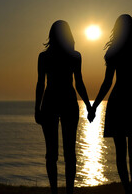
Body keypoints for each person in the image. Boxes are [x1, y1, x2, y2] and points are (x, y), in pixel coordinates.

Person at [88, 14, 132, 194]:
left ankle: (128, 189)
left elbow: (107, 83)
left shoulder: (115, 52)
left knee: (122, 153)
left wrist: (94, 106)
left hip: (119, 101)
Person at [35, 20, 91, 194]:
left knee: (51, 152)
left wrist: (37, 108)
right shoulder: (74, 56)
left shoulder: (44, 56)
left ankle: (55, 191)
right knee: (69, 153)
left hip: (51, 101)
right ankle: (68, 191)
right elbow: (79, 83)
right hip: (67, 101)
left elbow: (40, 84)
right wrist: (89, 106)